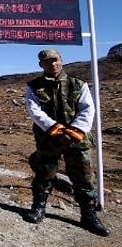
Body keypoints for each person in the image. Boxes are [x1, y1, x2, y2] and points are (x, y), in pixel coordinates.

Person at [24, 49, 109, 236]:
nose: (52, 64)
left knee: (84, 178)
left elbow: (87, 110)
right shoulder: (33, 86)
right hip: (48, 139)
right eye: (47, 62)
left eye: (55, 60)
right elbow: (35, 111)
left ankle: (88, 215)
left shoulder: (78, 84)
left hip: (77, 140)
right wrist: (57, 130)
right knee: (44, 174)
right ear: (41, 65)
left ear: (61, 61)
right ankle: (39, 207)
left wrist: (72, 132)